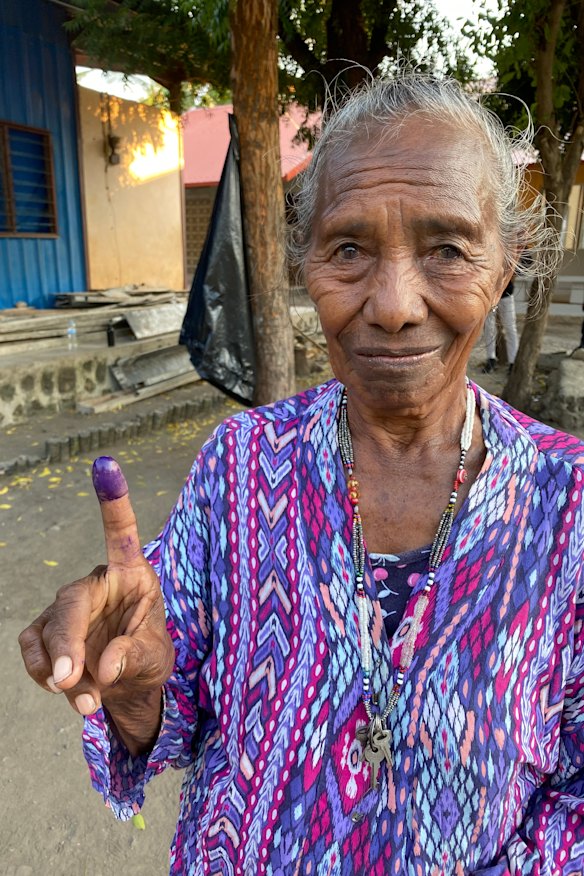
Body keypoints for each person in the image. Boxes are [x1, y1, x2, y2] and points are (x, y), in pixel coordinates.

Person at [19, 73, 584, 874]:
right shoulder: (242, 466)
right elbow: (165, 720)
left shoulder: (572, 507)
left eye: (448, 249)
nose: (392, 303)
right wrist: (138, 684)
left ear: (505, 264)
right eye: (349, 248)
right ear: (306, 262)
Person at [482, 278, 519, 374]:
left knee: (510, 328)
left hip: (506, 294)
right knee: (488, 328)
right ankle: (491, 359)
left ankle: (513, 362)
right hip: (490, 295)